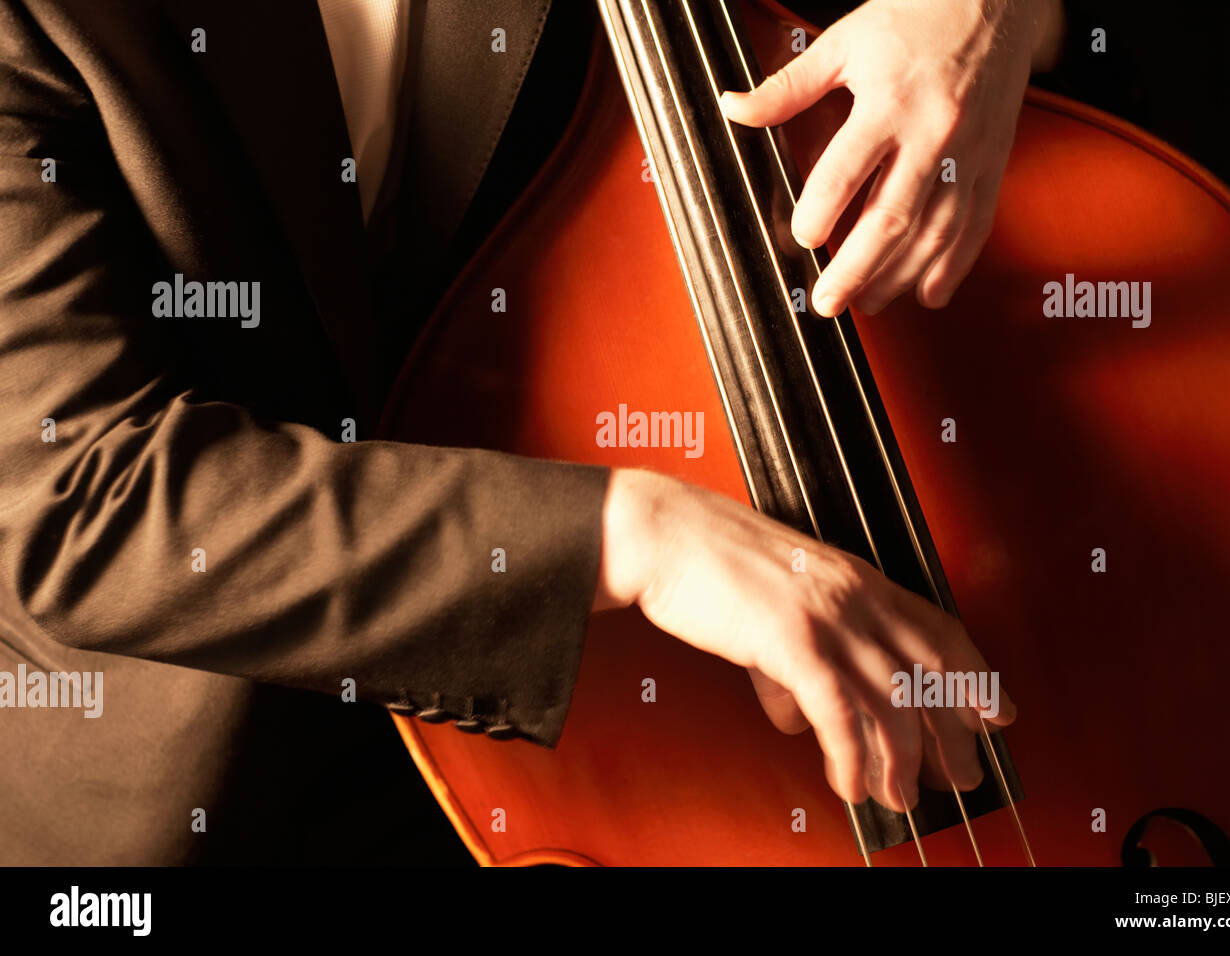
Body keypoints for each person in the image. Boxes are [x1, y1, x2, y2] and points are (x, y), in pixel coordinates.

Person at [0, 0, 1062, 864]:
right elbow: (86, 502)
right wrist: (643, 534)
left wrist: (986, 16)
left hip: (635, 733)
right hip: (220, 796)